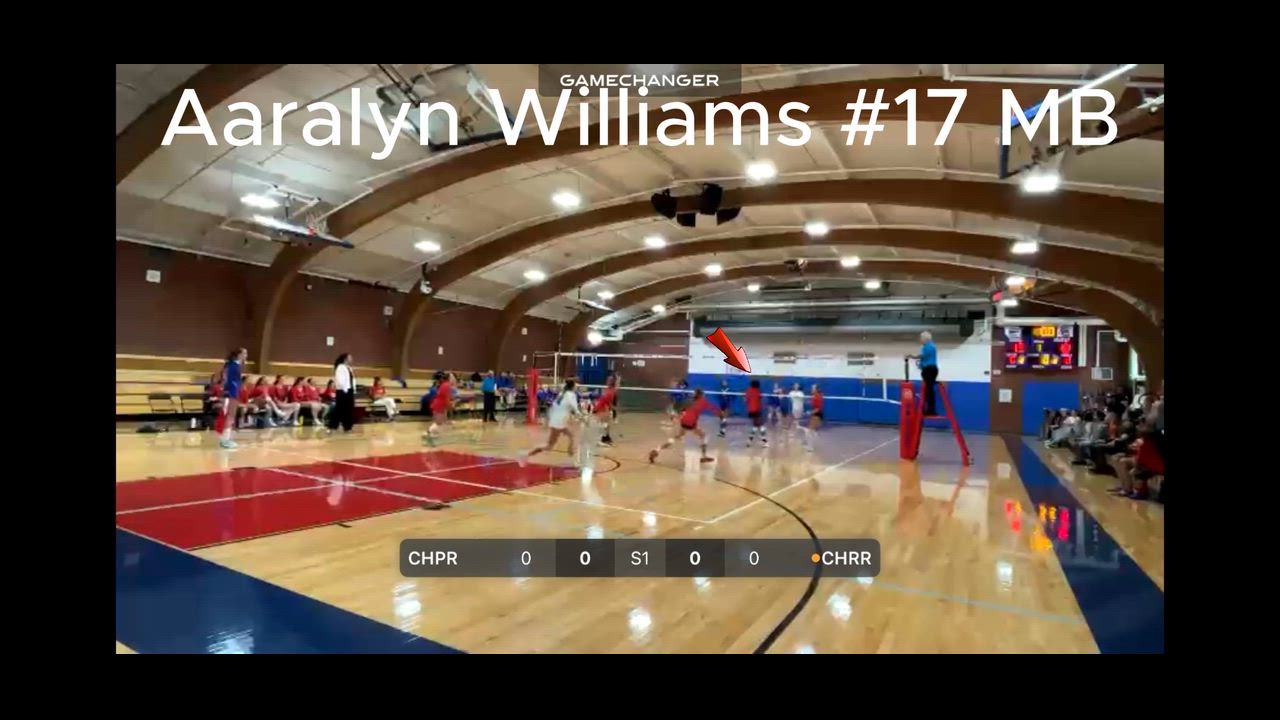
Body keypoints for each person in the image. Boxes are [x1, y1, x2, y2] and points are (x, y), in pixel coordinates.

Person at [649, 388, 723, 465]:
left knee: (677, 436)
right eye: (703, 394)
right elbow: (714, 409)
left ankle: (657, 449)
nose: (704, 395)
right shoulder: (703, 402)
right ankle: (703, 457)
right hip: (691, 423)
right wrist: (721, 414)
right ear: (701, 395)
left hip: (683, 421)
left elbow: (682, 410)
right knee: (703, 435)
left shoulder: (690, 401)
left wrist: (676, 416)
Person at [522, 380, 582, 465]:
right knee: (549, 446)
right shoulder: (571, 395)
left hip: (557, 420)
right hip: (559, 422)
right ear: (572, 386)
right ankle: (526, 454)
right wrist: (583, 418)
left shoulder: (562, 393)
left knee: (572, 436)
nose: (576, 387)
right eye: (575, 386)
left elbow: (555, 406)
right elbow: (575, 409)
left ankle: (571, 459)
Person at [216, 348, 246, 449]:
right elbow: (228, 381)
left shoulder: (234, 365)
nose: (246, 355)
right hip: (230, 393)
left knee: (230, 416)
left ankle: (226, 438)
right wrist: (230, 392)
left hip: (232, 393)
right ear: (239, 355)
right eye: (244, 353)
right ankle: (224, 440)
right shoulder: (233, 366)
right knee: (229, 416)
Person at [906, 331, 939, 415]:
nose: (920, 340)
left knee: (929, 390)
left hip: (929, 369)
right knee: (928, 389)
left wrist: (911, 356)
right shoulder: (931, 346)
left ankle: (930, 410)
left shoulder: (928, 346)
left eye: (921, 338)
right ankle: (928, 409)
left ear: (925, 338)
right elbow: (925, 358)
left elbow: (921, 356)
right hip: (931, 369)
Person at [327, 353, 357, 432]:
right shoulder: (340, 367)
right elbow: (340, 380)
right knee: (339, 409)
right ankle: (332, 426)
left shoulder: (349, 368)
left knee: (349, 409)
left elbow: (352, 380)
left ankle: (347, 427)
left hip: (349, 390)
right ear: (345, 359)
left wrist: (353, 389)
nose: (351, 359)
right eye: (350, 357)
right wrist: (344, 390)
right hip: (342, 391)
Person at [424, 372, 454, 445]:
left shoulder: (445, 385)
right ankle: (428, 435)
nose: (454, 379)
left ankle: (431, 435)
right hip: (439, 406)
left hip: (439, 405)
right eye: (453, 377)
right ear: (449, 378)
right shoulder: (446, 385)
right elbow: (446, 398)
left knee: (442, 423)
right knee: (439, 423)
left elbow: (446, 397)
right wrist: (450, 406)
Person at [593, 374, 618, 446]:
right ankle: (606, 438)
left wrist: (613, 412)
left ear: (612, 382)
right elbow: (603, 400)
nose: (607, 381)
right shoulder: (607, 390)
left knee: (605, 425)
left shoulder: (612, 391)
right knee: (604, 424)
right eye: (608, 379)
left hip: (605, 409)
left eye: (610, 380)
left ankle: (605, 438)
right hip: (601, 409)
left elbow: (610, 402)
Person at [745, 379, 767, 447]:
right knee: (761, 426)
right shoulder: (758, 391)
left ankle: (749, 441)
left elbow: (746, 400)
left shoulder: (748, 391)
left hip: (750, 411)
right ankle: (765, 442)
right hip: (757, 411)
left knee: (756, 426)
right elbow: (761, 399)